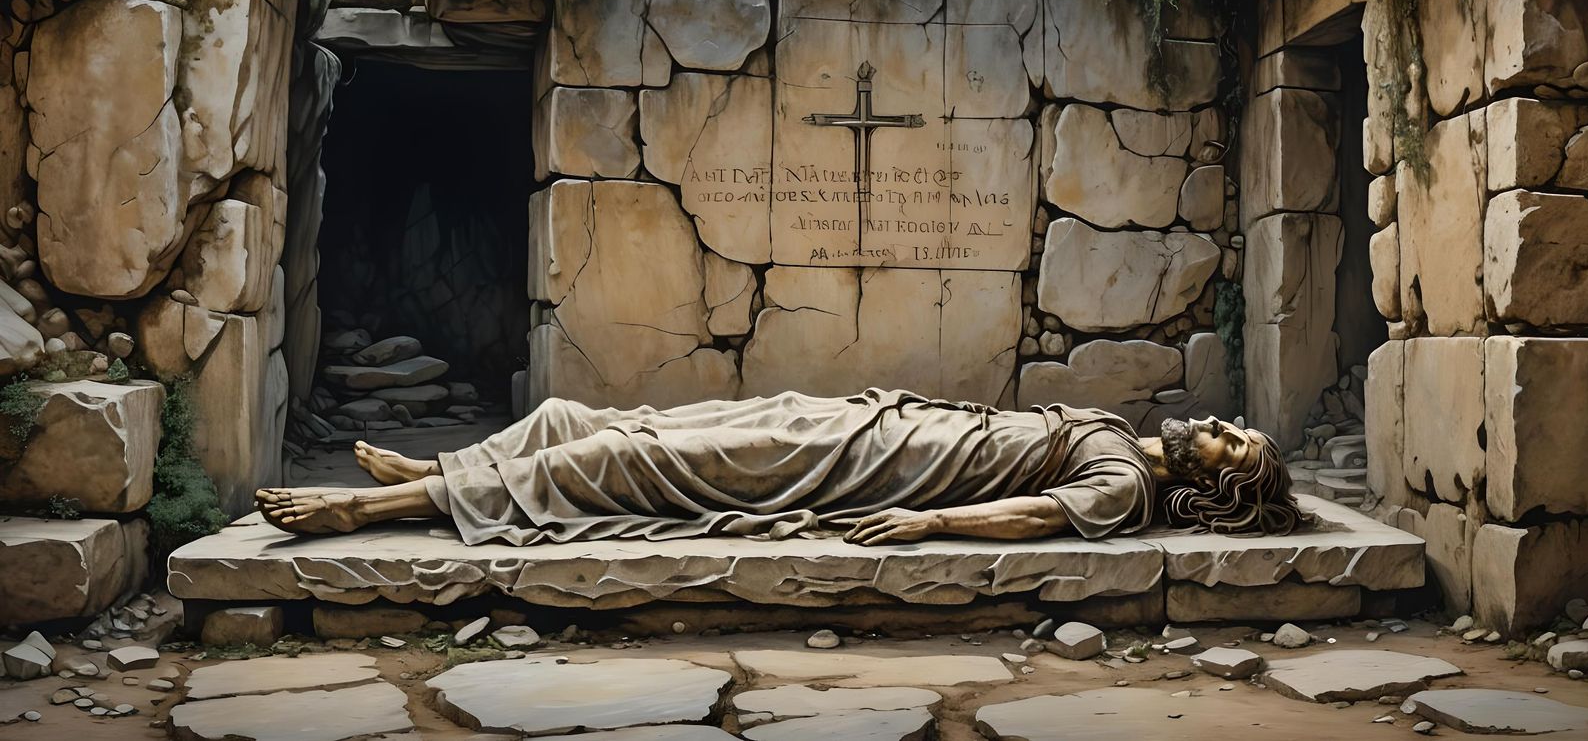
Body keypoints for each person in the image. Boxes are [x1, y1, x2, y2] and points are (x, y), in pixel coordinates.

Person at [256, 389, 1301, 545]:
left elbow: (1032, 513)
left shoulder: (1125, 483)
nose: (1211, 423)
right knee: (598, 414)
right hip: (866, 418)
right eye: (1227, 423)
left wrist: (932, 526)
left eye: (1228, 441)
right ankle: (450, 464)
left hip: (869, 469)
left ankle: (378, 507)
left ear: (1214, 485)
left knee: (625, 460)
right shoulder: (1124, 432)